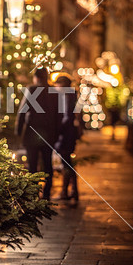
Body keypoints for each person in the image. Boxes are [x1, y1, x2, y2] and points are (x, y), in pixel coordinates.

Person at [15, 67, 59, 200]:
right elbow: (58, 115)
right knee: (47, 165)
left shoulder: (31, 90)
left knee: (32, 165)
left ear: (36, 77)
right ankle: (46, 194)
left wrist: (18, 130)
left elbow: (22, 112)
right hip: (49, 134)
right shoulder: (54, 92)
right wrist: (56, 133)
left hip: (32, 134)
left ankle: (33, 194)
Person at [54, 75, 79, 205]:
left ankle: (67, 191)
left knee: (66, 161)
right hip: (69, 134)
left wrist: (58, 129)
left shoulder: (67, 97)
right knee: (67, 162)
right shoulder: (70, 96)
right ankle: (73, 190)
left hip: (66, 134)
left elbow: (66, 117)